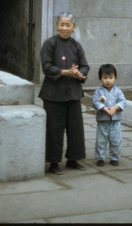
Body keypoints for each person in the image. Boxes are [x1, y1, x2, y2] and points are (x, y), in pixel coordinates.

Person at [38, 12, 90, 175]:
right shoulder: (49, 44)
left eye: (68, 25)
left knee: (75, 129)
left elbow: (84, 65)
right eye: (62, 24)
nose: (65, 28)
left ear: (73, 27)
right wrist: (66, 72)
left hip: (73, 93)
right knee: (54, 129)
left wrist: (80, 74)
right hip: (53, 94)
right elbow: (46, 67)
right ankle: (54, 163)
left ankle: (73, 160)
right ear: (57, 25)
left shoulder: (76, 45)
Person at [92, 64, 127, 167]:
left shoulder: (118, 91)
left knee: (116, 140)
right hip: (103, 121)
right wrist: (104, 108)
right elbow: (95, 102)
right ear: (100, 78)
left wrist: (115, 108)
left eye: (111, 78)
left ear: (115, 78)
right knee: (101, 141)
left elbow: (123, 101)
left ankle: (114, 158)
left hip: (115, 121)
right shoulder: (98, 92)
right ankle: (100, 158)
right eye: (105, 78)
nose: (108, 80)